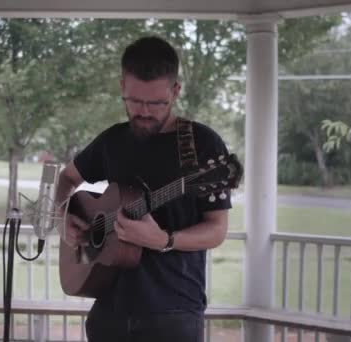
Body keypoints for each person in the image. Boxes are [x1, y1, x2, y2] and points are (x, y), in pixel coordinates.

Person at [55, 36, 234, 342]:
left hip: (173, 314)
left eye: (156, 103)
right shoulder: (112, 141)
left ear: (175, 91)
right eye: (135, 101)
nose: (145, 112)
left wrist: (163, 239)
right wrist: (62, 216)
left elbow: (216, 230)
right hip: (108, 310)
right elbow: (65, 179)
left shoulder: (203, 146)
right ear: (122, 85)